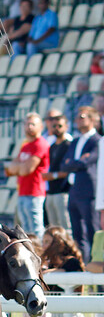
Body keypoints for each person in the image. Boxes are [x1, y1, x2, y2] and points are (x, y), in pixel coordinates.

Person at [60, 106, 101, 261]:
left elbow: (87, 162)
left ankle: (97, 265)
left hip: (88, 192)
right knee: (77, 234)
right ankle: (83, 265)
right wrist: (76, 162)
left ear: (92, 119)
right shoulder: (75, 140)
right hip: (74, 191)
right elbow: (64, 164)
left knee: (92, 232)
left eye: (82, 117)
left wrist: (74, 163)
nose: (78, 120)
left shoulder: (97, 140)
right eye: (77, 117)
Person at [5, 113, 49, 238]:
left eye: (33, 124)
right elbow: (10, 169)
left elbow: (26, 170)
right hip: (23, 191)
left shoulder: (40, 144)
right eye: (27, 124)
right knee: (26, 230)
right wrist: (20, 167)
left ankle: (40, 254)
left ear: (40, 126)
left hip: (34, 191)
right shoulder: (25, 145)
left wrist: (19, 167)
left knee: (36, 229)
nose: (29, 127)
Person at [42, 114, 72, 231]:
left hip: (63, 191)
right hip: (51, 192)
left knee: (65, 228)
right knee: (54, 229)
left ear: (66, 126)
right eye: (54, 126)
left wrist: (53, 176)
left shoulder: (69, 145)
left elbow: (68, 170)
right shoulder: (52, 146)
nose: (57, 128)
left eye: (60, 125)